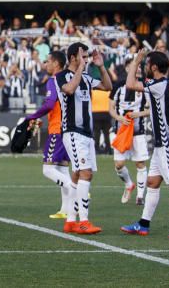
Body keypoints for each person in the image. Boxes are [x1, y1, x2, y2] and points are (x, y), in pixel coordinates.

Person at [121, 50, 169, 238]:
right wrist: (140, 114)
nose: (144, 67)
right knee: (152, 182)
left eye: (146, 64)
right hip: (161, 145)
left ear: (154, 67)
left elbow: (129, 84)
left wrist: (135, 61)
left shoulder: (159, 84)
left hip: (168, 145)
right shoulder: (165, 84)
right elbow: (157, 110)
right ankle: (143, 224)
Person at [59, 42, 112, 235]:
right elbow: (69, 90)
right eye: (83, 55)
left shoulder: (88, 77)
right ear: (73, 57)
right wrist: (81, 68)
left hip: (87, 135)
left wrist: (100, 66)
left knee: (78, 174)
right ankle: (84, 221)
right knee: (86, 173)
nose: (86, 58)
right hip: (73, 131)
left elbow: (108, 86)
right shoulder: (62, 76)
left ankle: (71, 221)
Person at [21, 50, 75, 221]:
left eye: (48, 61)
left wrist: (32, 116)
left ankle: (78, 191)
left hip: (57, 129)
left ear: (56, 64)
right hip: (67, 128)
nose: (45, 64)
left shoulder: (53, 80)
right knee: (62, 169)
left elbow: (50, 103)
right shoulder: (69, 79)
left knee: (48, 170)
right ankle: (66, 209)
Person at [109, 78, 151, 206]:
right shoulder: (118, 86)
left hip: (138, 132)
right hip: (121, 132)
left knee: (140, 163)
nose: (136, 70)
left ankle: (140, 196)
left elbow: (152, 110)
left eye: (138, 67)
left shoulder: (145, 87)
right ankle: (129, 184)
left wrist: (139, 114)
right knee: (119, 165)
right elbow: (111, 109)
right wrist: (119, 118)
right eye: (133, 66)